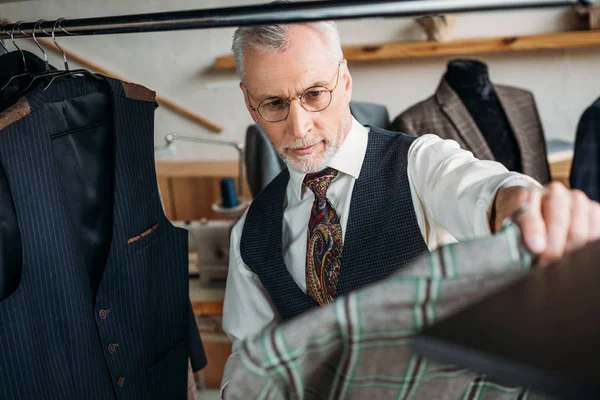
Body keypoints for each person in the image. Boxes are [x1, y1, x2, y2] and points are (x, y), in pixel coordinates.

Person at [220, 13, 600, 393]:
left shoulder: (420, 165)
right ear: (250, 104)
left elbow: (489, 190)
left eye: (315, 94)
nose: (299, 126)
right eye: (273, 103)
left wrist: (530, 210)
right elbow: (247, 362)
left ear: (346, 81)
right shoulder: (250, 235)